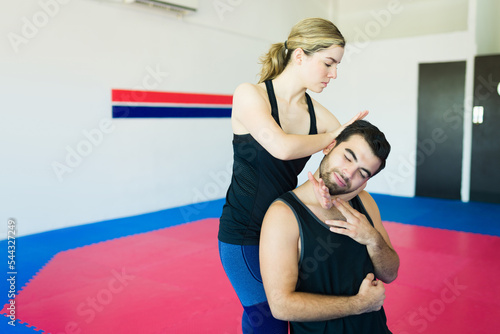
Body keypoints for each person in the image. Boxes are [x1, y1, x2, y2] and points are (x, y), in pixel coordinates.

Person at [218, 17, 368, 334]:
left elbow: (345, 166)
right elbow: (282, 147)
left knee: (301, 319)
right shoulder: (250, 95)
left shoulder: (320, 115)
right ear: (299, 55)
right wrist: (333, 136)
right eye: (328, 63)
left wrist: (339, 185)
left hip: (288, 232)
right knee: (269, 320)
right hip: (243, 234)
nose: (334, 74)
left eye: (337, 65)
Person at [260, 120, 400, 334]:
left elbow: (390, 274)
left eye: (362, 173)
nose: (348, 173)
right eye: (348, 157)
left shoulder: (365, 203)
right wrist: (359, 305)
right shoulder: (283, 215)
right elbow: (281, 306)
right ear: (329, 146)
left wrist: (372, 238)